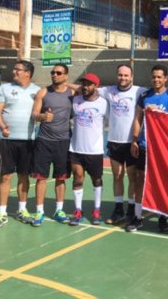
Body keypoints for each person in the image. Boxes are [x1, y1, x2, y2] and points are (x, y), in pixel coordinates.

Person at [126, 64, 168, 233]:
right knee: (140, 179)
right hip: (144, 145)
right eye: (154, 77)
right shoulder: (144, 96)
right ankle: (137, 217)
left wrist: (157, 111)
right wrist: (135, 140)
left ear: (165, 78)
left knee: (161, 182)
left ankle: (162, 217)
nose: (156, 80)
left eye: (159, 77)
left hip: (163, 148)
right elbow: (138, 118)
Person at [0, 60, 40, 229]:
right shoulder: (4, 88)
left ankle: (22, 210)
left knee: (24, 176)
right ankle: (2, 213)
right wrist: (2, 126)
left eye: (18, 69)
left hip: (29, 141)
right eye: (14, 69)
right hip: (7, 141)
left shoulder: (37, 91)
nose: (14, 72)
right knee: (5, 177)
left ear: (28, 73)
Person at [98, 64, 145, 224]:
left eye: (126, 75)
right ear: (117, 75)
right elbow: (88, 87)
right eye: (120, 75)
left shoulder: (139, 91)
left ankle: (131, 209)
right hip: (114, 142)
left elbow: (162, 90)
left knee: (133, 177)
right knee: (117, 176)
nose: (123, 78)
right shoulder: (108, 91)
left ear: (131, 77)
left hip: (131, 143)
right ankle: (118, 209)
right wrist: (66, 84)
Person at [29, 64, 74, 227]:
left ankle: (59, 210)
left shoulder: (72, 93)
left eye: (58, 73)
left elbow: (87, 90)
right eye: (52, 72)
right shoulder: (43, 92)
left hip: (64, 141)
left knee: (61, 178)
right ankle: (39, 211)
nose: (54, 75)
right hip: (44, 141)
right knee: (41, 178)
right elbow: (34, 114)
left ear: (66, 75)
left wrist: (69, 85)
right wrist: (42, 116)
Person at [68, 73, 109, 226]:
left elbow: (110, 121)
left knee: (96, 180)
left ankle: (96, 210)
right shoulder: (76, 100)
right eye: (83, 84)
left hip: (94, 151)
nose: (85, 87)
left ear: (95, 86)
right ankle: (78, 210)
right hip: (76, 149)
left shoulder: (104, 103)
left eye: (89, 84)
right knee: (78, 178)